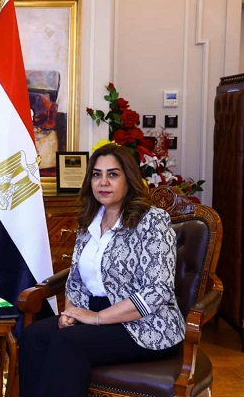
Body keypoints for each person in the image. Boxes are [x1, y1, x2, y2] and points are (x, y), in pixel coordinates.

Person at [18, 143, 185, 396]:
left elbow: (157, 291)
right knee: (33, 337)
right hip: (94, 315)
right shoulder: (90, 221)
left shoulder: (152, 220)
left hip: (146, 324)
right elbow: (76, 280)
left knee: (68, 343)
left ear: (129, 179)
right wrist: (71, 314)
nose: (103, 182)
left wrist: (96, 318)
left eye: (113, 174)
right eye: (97, 175)